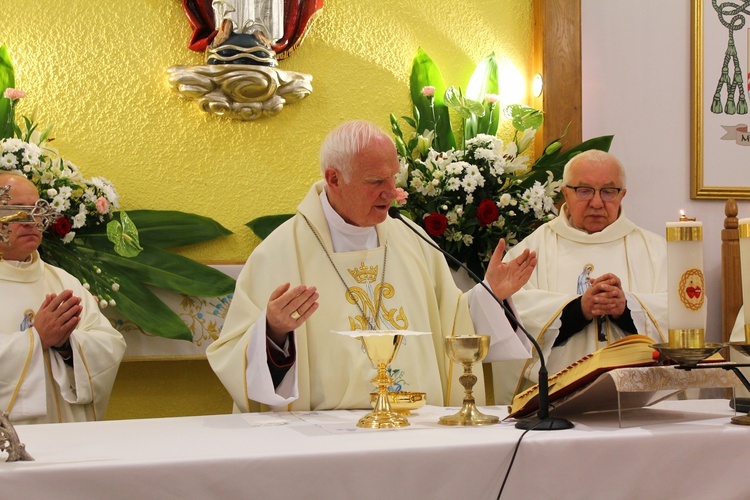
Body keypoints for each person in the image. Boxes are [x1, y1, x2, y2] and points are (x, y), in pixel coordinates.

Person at [207, 120, 536, 412]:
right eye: (376, 181)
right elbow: (234, 354)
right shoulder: (280, 253)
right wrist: (274, 331)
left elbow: (452, 322)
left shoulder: (410, 239)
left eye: (393, 178)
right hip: (325, 434)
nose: (391, 193)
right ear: (334, 179)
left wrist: (492, 294)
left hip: (416, 424)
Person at [493, 150, 668, 404]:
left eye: (608, 191)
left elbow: (680, 314)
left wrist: (626, 308)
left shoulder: (656, 251)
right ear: (565, 193)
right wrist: (578, 309)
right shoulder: (531, 250)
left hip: (639, 403)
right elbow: (510, 312)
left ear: (622, 195)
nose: (597, 202)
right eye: (584, 190)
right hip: (557, 404)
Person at [0, 173, 126, 424]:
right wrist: (37, 338)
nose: (31, 221)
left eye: (37, 210)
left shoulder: (63, 282)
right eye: (17, 211)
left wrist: (68, 346)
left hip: (66, 435)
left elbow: (110, 344)